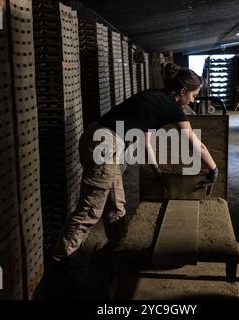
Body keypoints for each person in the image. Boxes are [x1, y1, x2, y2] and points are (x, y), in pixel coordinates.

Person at [51, 63, 218, 263]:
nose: (193, 100)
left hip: (100, 139)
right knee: (90, 210)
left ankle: (118, 253)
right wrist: (214, 168)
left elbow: (144, 142)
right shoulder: (172, 108)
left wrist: (156, 170)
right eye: (193, 95)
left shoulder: (154, 96)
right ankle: (60, 264)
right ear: (183, 90)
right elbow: (197, 146)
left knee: (116, 205)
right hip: (105, 144)